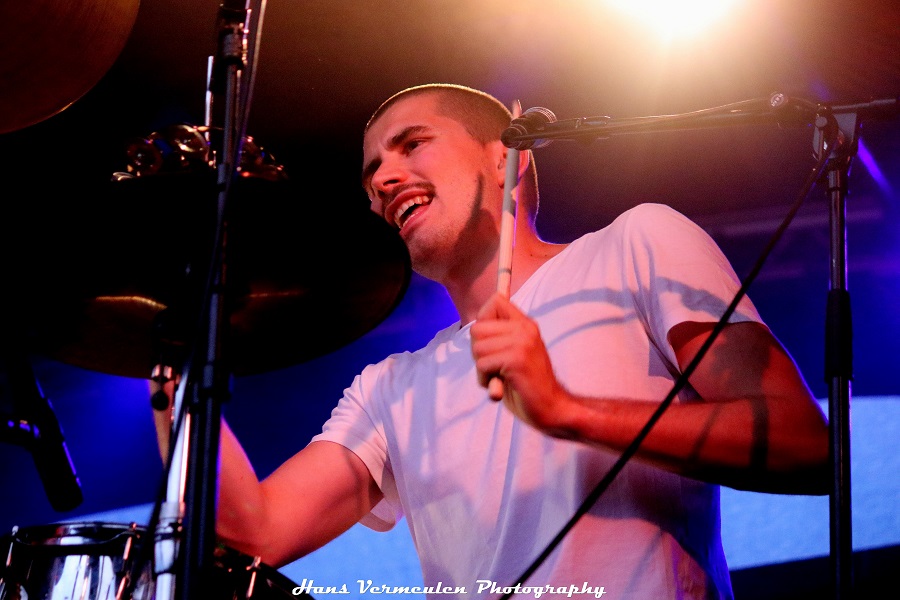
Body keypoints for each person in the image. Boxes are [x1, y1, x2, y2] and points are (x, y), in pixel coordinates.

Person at [156, 84, 830, 599]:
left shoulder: (637, 243)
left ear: (509, 155)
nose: (382, 181)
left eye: (411, 144)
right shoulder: (390, 387)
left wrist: (566, 410)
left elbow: (806, 446)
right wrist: (167, 361)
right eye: (371, 175)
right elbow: (254, 533)